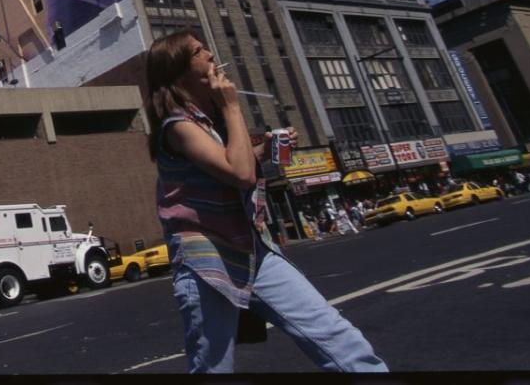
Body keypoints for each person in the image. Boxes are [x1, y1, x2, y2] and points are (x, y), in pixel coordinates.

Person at [146, 29, 387, 373]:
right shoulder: (178, 127)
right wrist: (231, 106)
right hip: (207, 261)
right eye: (200, 51)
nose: (211, 55)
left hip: (252, 251)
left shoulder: (206, 123)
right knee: (212, 367)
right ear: (180, 70)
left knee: (334, 333)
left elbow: (232, 162)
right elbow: (240, 173)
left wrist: (267, 148)